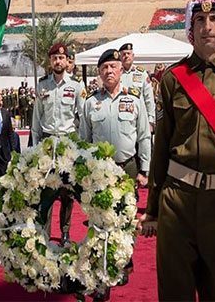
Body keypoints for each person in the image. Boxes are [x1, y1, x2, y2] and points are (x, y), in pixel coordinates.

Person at [137, 0, 215, 301]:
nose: (207, 26)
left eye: (214, 19)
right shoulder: (172, 80)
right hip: (176, 203)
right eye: (200, 20)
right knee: (174, 292)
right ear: (190, 31)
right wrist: (153, 209)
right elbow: (161, 148)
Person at [80, 48, 151, 300]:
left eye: (113, 67)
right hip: (99, 172)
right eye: (104, 68)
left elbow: (144, 136)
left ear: (121, 70)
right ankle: (102, 271)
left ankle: (123, 261)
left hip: (127, 168)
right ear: (99, 73)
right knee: (100, 221)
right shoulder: (90, 102)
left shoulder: (134, 99)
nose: (108, 71)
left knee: (125, 218)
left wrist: (144, 170)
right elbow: (83, 140)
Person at [31, 43, 86, 245]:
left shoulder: (77, 86)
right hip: (47, 143)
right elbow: (37, 119)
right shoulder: (42, 85)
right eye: (54, 58)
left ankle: (65, 231)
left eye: (61, 58)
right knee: (45, 191)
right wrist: (35, 146)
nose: (58, 61)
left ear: (67, 61)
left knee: (67, 193)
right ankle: (44, 232)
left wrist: (80, 146)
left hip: (68, 143)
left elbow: (83, 118)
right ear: (50, 61)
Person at [119, 43, 155, 135]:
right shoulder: (116, 74)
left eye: (128, 53)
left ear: (133, 56)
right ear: (120, 57)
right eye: (123, 54)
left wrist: (150, 121)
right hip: (120, 118)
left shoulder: (141, 74)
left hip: (140, 118)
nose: (126, 56)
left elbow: (149, 98)